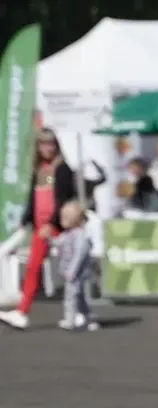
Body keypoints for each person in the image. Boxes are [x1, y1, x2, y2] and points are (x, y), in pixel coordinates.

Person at [0, 129, 77, 331]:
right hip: (40, 227)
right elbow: (34, 197)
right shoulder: (41, 170)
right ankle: (22, 312)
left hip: (58, 226)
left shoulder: (62, 169)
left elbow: (62, 199)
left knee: (72, 269)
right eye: (43, 144)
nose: (47, 148)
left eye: (50, 143)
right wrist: (27, 219)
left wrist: (52, 224)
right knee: (33, 268)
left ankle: (78, 311)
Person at [53, 201, 98, 332]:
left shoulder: (79, 235)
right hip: (71, 270)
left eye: (65, 217)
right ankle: (88, 317)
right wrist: (50, 239)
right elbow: (59, 242)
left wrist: (72, 270)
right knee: (79, 296)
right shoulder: (67, 233)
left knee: (70, 296)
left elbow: (80, 254)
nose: (62, 220)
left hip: (77, 272)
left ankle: (70, 320)